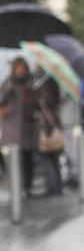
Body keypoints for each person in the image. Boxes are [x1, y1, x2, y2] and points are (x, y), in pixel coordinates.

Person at [0, 58, 37, 195]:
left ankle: (27, 185)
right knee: (12, 155)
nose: (20, 70)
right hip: (11, 125)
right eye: (18, 67)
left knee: (27, 156)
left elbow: (35, 102)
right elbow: (1, 100)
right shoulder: (8, 82)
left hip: (26, 125)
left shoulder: (30, 83)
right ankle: (16, 184)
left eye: (22, 68)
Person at [35, 75, 63, 196]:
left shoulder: (42, 84)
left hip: (46, 126)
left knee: (46, 157)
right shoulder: (54, 81)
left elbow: (43, 104)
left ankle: (52, 188)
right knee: (54, 159)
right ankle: (57, 187)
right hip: (54, 122)